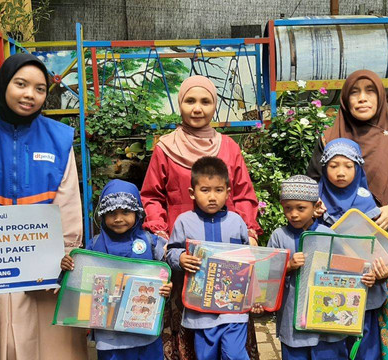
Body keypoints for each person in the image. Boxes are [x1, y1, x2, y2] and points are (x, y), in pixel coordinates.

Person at [0, 53, 88, 359]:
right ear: (3, 85)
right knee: (8, 340)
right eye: (21, 84)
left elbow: (68, 204)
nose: (30, 95)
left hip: (49, 262)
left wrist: (66, 256)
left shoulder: (58, 138)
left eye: (40, 89)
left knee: (58, 343)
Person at [141, 75, 260, 359]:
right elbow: (152, 196)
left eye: (205, 101)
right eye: (190, 101)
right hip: (187, 255)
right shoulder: (165, 148)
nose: (198, 108)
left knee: (232, 329)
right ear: (180, 104)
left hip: (228, 258)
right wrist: (164, 236)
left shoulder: (229, 147)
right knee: (193, 329)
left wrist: (251, 233)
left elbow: (243, 194)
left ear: (214, 105)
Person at [306, 69, 388, 359]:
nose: (362, 99)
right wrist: (315, 206)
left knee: (387, 312)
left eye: (369, 91)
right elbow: (310, 183)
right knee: (339, 308)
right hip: (336, 238)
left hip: (385, 238)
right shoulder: (328, 139)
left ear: (381, 97)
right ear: (345, 100)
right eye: (354, 93)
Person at [60, 179, 172, 360]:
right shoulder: (94, 245)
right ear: (103, 215)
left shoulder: (152, 243)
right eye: (111, 213)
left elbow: (166, 272)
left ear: (138, 212)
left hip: (146, 332)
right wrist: (68, 267)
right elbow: (76, 283)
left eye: (126, 212)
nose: (118, 218)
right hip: (109, 336)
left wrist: (168, 287)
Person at [166, 156, 257, 360]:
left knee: (235, 355)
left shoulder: (237, 222)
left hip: (234, 308)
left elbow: (250, 260)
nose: (212, 197)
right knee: (206, 356)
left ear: (228, 192)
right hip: (201, 311)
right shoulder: (184, 222)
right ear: (192, 192)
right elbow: (171, 251)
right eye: (205, 190)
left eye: (218, 190)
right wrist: (180, 258)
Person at [317, 138, 388, 359]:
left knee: (364, 340)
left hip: (363, 287)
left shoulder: (368, 205)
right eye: (333, 166)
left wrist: (380, 272)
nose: (341, 172)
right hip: (327, 287)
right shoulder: (315, 203)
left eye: (348, 166)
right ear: (324, 167)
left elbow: (377, 248)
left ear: (358, 168)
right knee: (329, 339)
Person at [266, 175, 348, 359]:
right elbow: (267, 273)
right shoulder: (279, 236)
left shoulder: (329, 235)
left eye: (301, 208)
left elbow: (345, 271)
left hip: (327, 320)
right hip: (292, 317)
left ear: (316, 207)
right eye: (288, 208)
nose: (293, 214)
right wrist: (287, 266)